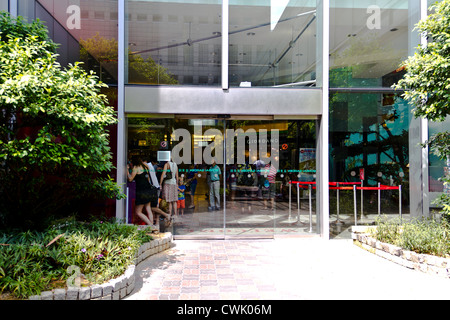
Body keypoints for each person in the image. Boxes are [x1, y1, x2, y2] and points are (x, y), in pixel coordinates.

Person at [127, 156, 157, 229]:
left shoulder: (136, 168)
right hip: (148, 189)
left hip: (141, 191)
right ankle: (152, 226)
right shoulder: (145, 166)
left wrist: (127, 170)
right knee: (148, 209)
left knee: (138, 212)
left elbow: (130, 179)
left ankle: (151, 226)